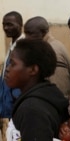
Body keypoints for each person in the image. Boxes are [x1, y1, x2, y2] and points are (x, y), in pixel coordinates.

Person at [4, 39, 70, 140]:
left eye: (13, 64)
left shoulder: (32, 111)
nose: (7, 69)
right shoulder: (46, 94)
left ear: (33, 70)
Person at [24, 16, 70, 99]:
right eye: (25, 34)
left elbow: (61, 92)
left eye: (30, 33)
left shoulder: (53, 52)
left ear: (43, 32)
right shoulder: (47, 47)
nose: (26, 38)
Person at [1, 11, 24, 141]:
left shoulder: (22, 48)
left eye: (10, 24)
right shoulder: (12, 45)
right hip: (9, 109)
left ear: (20, 25)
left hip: (17, 108)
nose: (6, 28)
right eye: (4, 24)